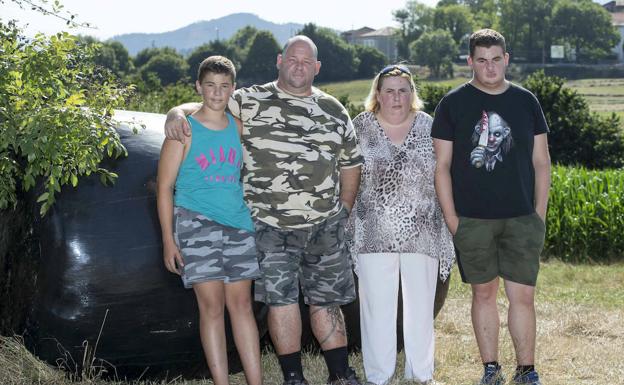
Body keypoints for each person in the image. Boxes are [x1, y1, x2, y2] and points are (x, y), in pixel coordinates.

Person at [163, 35, 363, 385]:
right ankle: (293, 377)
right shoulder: (249, 100)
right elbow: (207, 105)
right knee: (281, 301)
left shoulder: (334, 109)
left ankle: (340, 374)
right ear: (279, 61)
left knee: (327, 300)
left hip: (324, 224)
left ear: (316, 67)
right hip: (269, 224)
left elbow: (351, 162)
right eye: (292, 59)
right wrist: (173, 112)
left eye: (306, 61)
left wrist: (344, 207)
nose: (298, 66)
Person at [431, 29, 551, 385]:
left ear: (506, 59)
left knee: (523, 296)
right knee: (484, 294)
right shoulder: (452, 104)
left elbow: (542, 162)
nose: (490, 67)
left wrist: (539, 215)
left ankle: (526, 370)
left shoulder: (526, 101)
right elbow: (441, 167)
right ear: (470, 62)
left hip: (521, 218)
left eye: (496, 59)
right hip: (472, 219)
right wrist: (453, 220)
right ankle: (490, 368)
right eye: (481, 60)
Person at [156, 55, 263, 385]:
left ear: (233, 88)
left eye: (224, 86)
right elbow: (164, 188)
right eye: (211, 86)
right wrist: (168, 241)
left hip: (238, 224)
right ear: (199, 87)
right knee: (212, 308)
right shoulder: (183, 130)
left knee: (242, 305)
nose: (217, 93)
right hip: (196, 224)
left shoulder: (238, 127)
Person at [347, 64, 455, 385]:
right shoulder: (360, 127)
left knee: (420, 309)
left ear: (412, 94)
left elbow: (445, 174)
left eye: (403, 90)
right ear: (377, 95)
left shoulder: (430, 127)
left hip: (422, 232)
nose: (397, 97)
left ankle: (421, 375)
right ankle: (379, 376)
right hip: (373, 232)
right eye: (390, 90)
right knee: (376, 309)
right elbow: (347, 175)